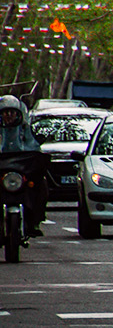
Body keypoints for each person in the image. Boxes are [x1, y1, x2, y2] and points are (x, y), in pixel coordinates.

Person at [0, 95, 45, 236]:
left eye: (12, 113)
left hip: (20, 168)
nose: (9, 117)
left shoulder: (25, 129)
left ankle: (34, 221)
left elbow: (34, 147)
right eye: (5, 113)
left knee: (41, 184)